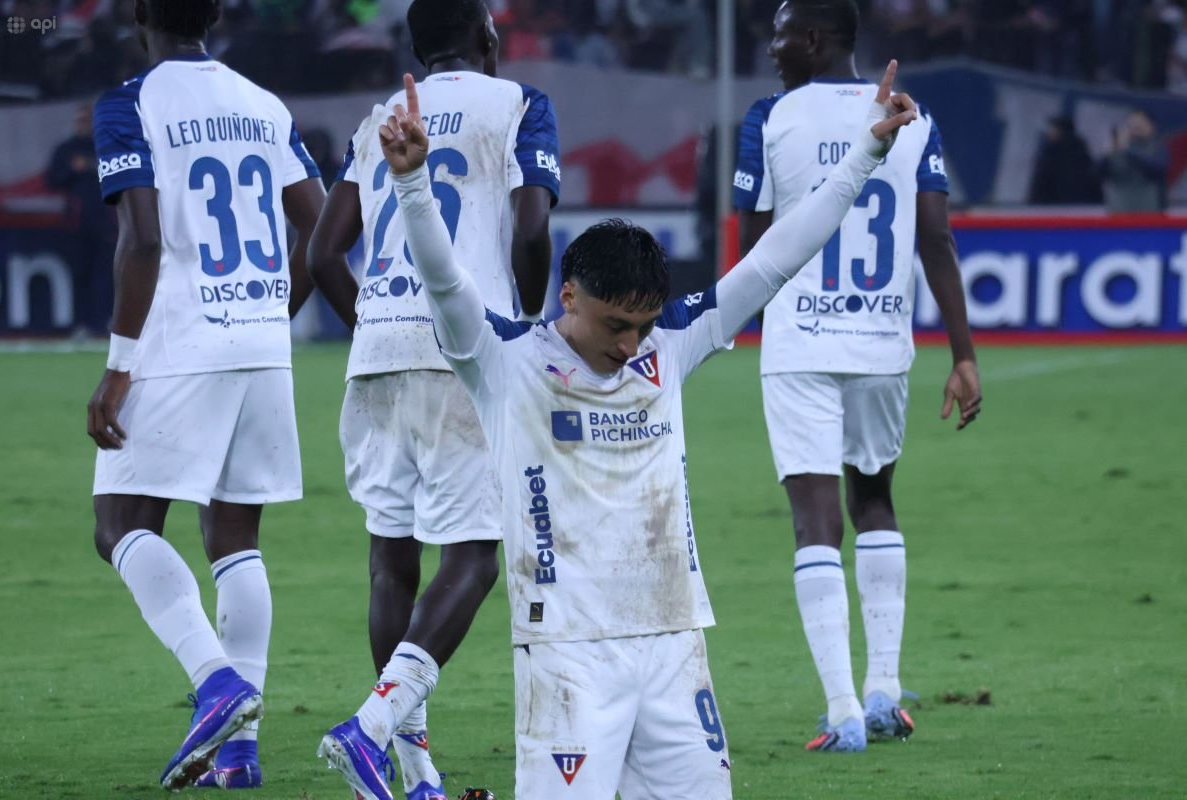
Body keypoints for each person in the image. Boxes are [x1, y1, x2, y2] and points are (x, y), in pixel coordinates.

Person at [352, 62, 914, 798]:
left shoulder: (668, 346)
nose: (629, 345)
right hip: (567, 658)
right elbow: (447, 283)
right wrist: (413, 185)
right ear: (570, 293)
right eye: (616, 325)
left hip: (676, 645)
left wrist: (864, 158)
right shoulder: (501, 361)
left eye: (643, 325)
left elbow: (777, 258)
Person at [309, 1, 559, 798]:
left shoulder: (381, 118)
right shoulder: (520, 104)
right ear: (488, 39)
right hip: (467, 349)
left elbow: (321, 254)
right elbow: (529, 230)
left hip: (377, 351)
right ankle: (373, 728)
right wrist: (519, 329)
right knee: (476, 557)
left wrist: (374, 324)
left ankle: (415, 774)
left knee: (391, 557)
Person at [86, 0, 325, 789]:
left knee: (119, 524)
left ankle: (217, 684)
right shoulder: (264, 103)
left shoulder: (131, 102)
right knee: (236, 537)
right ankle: (241, 751)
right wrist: (270, 314)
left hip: (180, 341)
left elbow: (144, 239)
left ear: (138, 13)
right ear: (216, 13)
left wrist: (120, 365)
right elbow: (320, 230)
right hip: (260, 341)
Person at [732, 0, 981, 753]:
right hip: (880, 342)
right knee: (874, 500)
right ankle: (883, 689)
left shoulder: (769, 119)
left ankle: (841, 710)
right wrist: (964, 354)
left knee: (815, 521)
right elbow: (936, 239)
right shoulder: (909, 112)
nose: (771, 48)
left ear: (812, 39)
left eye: (778, 35)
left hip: (802, 343)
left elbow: (755, 246)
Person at [45, 102, 116, 336]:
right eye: (80, 120)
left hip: (105, 222)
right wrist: (73, 170)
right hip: (76, 223)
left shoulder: (106, 148)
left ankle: (103, 322)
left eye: (87, 120)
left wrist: (91, 167)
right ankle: (81, 324)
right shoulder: (66, 149)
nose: (83, 124)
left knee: (105, 275)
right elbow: (53, 180)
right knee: (79, 274)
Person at [1100, 111, 1168, 213]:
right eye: (1132, 124)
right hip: (1117, 213)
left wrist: (1128, 152)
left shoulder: (1157, 147)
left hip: (1149, 214)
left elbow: (1158, 170)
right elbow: (1097, 173)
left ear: (1151, 126)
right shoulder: (1116, 148)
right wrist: (1106, 155)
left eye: (1140, 124)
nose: (1135, 127)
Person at [1028, 114, 1103, 205]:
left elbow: (1039, 187)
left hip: (1053, 210)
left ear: (1059, 131)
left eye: (1052, 129)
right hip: (1080, 210)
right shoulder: (1082, 154)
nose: (1049, 133)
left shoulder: (1050, 154)